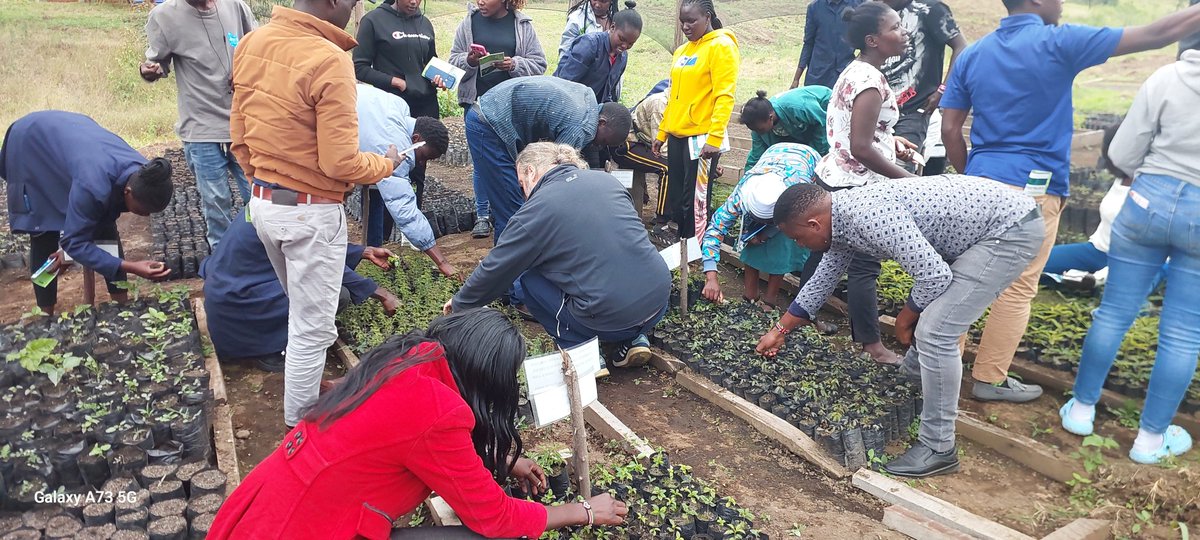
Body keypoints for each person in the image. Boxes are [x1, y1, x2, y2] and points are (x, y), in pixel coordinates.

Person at [940, 0, 1200, 403]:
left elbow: (951, 128)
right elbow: (1154, 34)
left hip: (978, 184)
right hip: (1034, 189)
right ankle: (989, 379)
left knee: (964, 279)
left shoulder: (974, 53)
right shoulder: (1058, 42)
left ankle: (941, 371)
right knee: (1018, 286)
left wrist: (973, 173)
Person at [209, 309, 629, 539]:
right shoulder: (438, 412)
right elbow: (495, 518)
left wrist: (497, 457)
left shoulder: (411, 358)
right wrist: (584, 510)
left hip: (273, 505)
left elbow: (402, 439)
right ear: (485, 378)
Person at [757, 178, 1043, 477]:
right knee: (933, 320)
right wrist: (780, 330)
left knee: (935, 332)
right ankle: (911, 383)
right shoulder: (839, 222)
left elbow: (934, 276)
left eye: (798, 238)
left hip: (1007, 229)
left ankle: (939, 448)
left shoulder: (867, 215)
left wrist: (905, 319)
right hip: (989, 225)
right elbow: (823, 279)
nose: (799, 246)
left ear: (814, 224)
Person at [230, 0, 403, 428]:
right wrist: (387, 164)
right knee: (311, 329)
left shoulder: (253, 43)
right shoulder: (328, 58)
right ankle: (299, 428)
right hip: (310, 214)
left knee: (304, 315)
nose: (353, 8)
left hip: (265, 204)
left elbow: (238, 137)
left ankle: (305, 387)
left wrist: (264, 182)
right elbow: (340, 164)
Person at [1059, 40, 1200, 465]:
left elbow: (1121, 153)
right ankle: (1150, 440)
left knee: (1115, 313)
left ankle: (1081, 411)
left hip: (1146, 203)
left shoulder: (1166, 77)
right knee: (1182, 335)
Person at [446, 144, 670, 368]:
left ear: (531, 171)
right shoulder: (607, 181)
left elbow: (498, 268)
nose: (523, 193)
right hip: (658, 301)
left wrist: (460, 304)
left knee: (528, 278)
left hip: (609, 318)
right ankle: (634, 339)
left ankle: (580, 350)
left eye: (522, 184)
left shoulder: (536, 210)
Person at [813, 1, 918, 364]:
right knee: (863, 265)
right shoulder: (870, 81)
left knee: (826, 250)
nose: (902, 32)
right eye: (895, 28)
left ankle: (806, 316)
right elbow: (860, 147)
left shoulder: (859, 70)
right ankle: (873, 345)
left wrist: (893, 141)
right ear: (873, 39)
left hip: (837, 175)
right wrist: (908, 182)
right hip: (857, 185)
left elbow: (864, 131)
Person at [0, 111, 174, 315]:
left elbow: (97, 220)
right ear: (128, 191)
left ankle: (122, 310)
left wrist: (68, 253)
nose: (145, 217)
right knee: (43, 228)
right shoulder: (93, 184)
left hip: (72, 141)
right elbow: (75, 241)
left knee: (105, 228)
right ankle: (45, 318)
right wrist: (132, 267)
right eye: (142, 211)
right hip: (31, 145)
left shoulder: (144, 172)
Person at [200, 211, 401, 373]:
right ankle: (272, 349)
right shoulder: (290, 215)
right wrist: (381, 293)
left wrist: (363, 252)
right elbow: (322, 261)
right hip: (239, 304)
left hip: (230, 291)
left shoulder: (275, 200)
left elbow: (314, 247)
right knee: (335, 294)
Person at [464, 76, 631, 250]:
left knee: (517, 205)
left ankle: (517, 262)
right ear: (602, 123)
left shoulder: (588, 99)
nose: (599, 146)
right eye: (603, 141)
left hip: (492, 109)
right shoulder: (582, 127)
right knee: (512, 210)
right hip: (489, 124)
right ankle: (509, 270)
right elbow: (552, 178)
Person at [140, 0, 255, 249]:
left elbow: (256, 48)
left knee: (258, 197)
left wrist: (246, 68)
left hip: (244, 124)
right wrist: (150, 70)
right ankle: (223, 266)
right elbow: (157, 62)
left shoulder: (235, 7)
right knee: (216, 203)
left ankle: (256, 259)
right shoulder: (164, 16)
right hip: (201, 128)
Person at [449, 0, 547, 239]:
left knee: (514, 158)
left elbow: (539, 64)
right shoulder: (468, 24)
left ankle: (513, 211)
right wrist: (470, 61)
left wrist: (514, 64)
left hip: (514, 108)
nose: (480, 1)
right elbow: (453, 61)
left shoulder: (521, 25)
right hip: (478, 106)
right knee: (483, 161)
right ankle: (482, 215)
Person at [652, 0, 740, 240]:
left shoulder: (721, 46)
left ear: (708, 17)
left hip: (702, 139)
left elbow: (725, 96)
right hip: (677, 134)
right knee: (678, 197)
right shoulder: (682, 52)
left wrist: (715, 137)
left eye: (691, 21)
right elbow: (674, 97)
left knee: (696, 201)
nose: (686, 26)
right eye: (682, 21)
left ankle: (696, 253)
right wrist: (662, 133)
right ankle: (684, 246)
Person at [700, 143, 821, 310]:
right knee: (750, 239)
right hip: (773, 154)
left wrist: (766, 234)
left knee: (784, 242)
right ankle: (751, 294)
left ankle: (770, 299)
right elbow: (714, 231)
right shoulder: (740, 196)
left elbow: (791, 222)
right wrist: (711, 276)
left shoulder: (797, 190)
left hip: (806, 159)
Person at [354, 0, 445, 213]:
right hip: (391, 109)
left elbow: (431, 62)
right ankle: (381, 225)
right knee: (387, 165)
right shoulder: (374, 21)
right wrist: (395, 82)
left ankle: (412, 217)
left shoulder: (424, 23)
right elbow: (360, 67)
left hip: (425, 106)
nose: (414, 2)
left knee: (419, 164)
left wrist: (438, 77)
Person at [354, 84, 455, 269]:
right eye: (424, 157)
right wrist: (442, 262)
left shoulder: (399, 106)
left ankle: (371, 255)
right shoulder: (398, 147)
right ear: (416, 139)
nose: (421, 164)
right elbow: (405, 210)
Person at [879, 0, 966, 172]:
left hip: (913, 110)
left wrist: (943, 90)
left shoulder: (930, 9)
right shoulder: (878, 9)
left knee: (899, 171)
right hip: (878, 106)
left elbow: (961, 46)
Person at [553, 1, 642, 105]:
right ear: (612, 27)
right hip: (563, 102)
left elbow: (608, 92)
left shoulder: (622, 58)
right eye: (622, 39)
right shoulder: (589, 45)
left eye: (631, 44)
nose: (624, 46)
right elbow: (564, 84)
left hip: (590, 108)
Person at [611, 84, 670, 220]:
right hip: (627, 144)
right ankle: (662, 221)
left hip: (646, 143)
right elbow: (662, 148)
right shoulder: (660, 104)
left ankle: (674, 215)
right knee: (667, 168)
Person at [740, 86, 832, 170]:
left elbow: (823, 124)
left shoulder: (798, 107)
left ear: (771, 118)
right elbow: (756, 156)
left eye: (760, 130)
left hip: (829, 115)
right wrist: (746, 179)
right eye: (755, 130)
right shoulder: (758, 127)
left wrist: (817, 156)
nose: (758, 133)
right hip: (803, 128)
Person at [792, 0, 864, 89]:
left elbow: (867, 39)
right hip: (818, 75)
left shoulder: (858, 5)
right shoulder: (814, 8)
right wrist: (796, 79)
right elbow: (808, 43)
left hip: (846, 75)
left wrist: (856, 63)